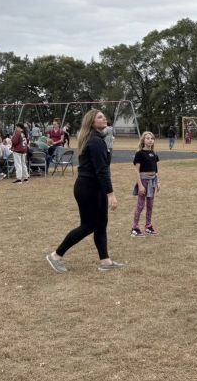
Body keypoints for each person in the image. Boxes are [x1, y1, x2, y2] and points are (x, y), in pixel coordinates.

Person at [46, 109, 125, 273]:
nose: (104, 118)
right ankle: (56, 255)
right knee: (89, 225)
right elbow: (102, 170)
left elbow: (104, 163)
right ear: (92, 122)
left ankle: (105, 261)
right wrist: (111, 194)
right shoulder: (95, 141)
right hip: (87, 188)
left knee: (101, 223)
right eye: (100, 117)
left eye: (104, 116)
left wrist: (109, 146)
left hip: (96, 188)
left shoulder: (98, 140)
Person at [131, 132, 160, 237]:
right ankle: (135, 228)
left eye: (152, 138)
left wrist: (158, 182)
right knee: (140, 205)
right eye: (148, 138)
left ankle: (148, 227)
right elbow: (136, 170)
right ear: (143, 140)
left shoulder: (154, 153)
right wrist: (140, 185)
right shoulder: (139, 154)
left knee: (150, 205)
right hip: (143, 181)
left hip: (152, 181)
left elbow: (155, 170)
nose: (150, 140)